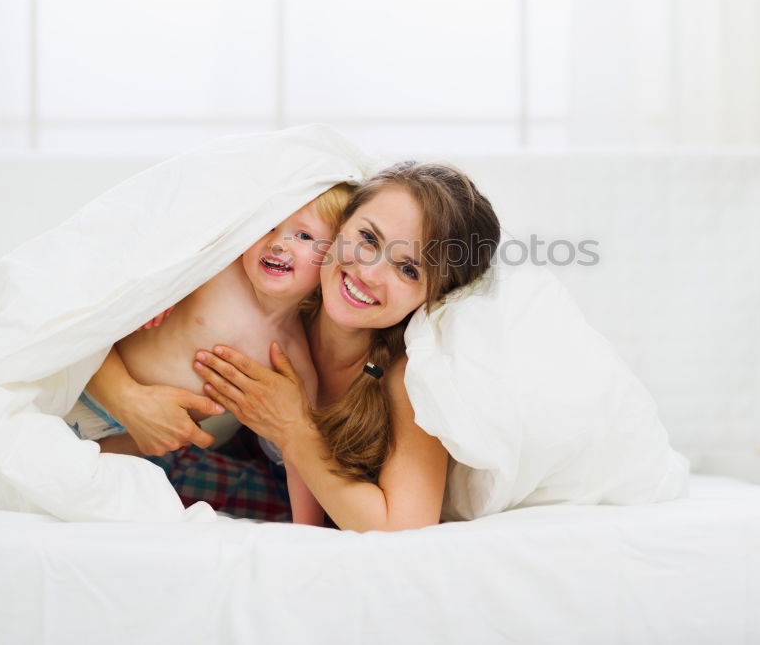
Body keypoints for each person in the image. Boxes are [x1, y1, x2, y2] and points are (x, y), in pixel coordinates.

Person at [92, 161, 501, 531]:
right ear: (338, 228)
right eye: (367, 238)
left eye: (409, 269)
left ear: (434, 297)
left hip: (324, 508)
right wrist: (128, 395)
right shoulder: (279, 290)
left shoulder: (406, 377)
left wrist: (294, 430)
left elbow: (404, 531)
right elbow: (88, 321)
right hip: (213, 452)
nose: (370, 273)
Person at [68, 183, 353, 525]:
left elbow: (297, 452)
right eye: (268, 227)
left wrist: (306, 530)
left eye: (304, 236)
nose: (277, 242)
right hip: (84, 391)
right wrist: (157, 289)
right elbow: (148, 257)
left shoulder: (291, 358)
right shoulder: (215, 270)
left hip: (132, 450)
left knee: (103, 487)